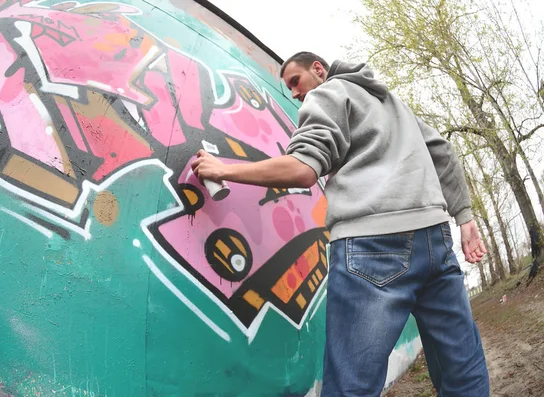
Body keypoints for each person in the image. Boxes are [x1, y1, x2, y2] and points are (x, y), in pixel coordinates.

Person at [192, 51, 490, 397]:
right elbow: (444, 153)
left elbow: (303, 169)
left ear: (318, 70)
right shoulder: (392, 103)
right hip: (435, 241)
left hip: (372, 245)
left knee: (351, 386)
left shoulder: (329, 92)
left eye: (295, 81)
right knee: (463, 370)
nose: (295, 93)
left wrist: (223, 169)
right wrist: (465, 220)